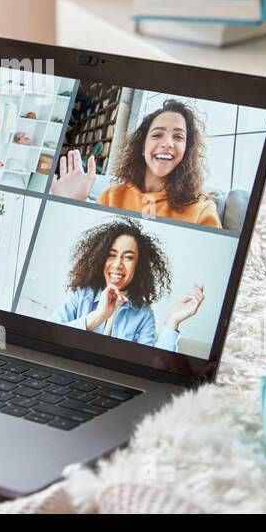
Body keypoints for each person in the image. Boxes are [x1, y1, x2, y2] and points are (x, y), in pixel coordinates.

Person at [50, 98, 221, 228]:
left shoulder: (202, 212)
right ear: (142, 146)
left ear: (186, 151)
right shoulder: (111, 196)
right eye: (157, 135)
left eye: (178, 137)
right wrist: (71, 205)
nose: (168, 143)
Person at [51, 219, 204, 352]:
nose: (118, 264)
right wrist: (98, 317)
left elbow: (152, 366)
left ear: (138, 266)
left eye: (128, 258)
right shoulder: (83, 296)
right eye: (111, 255)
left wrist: (173, 321)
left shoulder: (143, 314)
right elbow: (49, 334)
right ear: (101, 259)